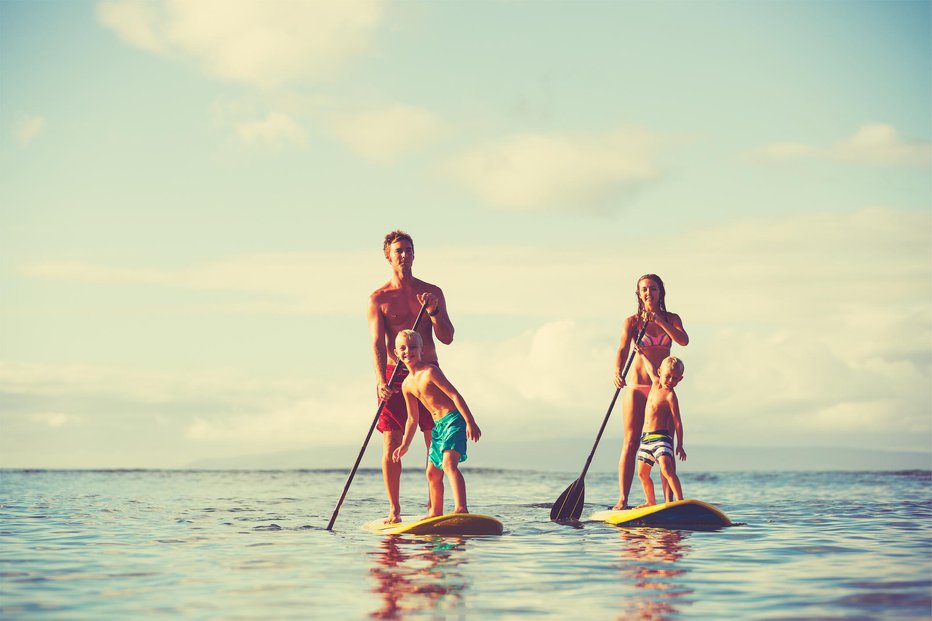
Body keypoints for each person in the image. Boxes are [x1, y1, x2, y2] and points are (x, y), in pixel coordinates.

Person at [368, 230, 454, 524]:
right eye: (398, 251)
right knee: (392, 443)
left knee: (436, 441)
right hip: (394, 375)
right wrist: (381, 380)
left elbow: (447, 337)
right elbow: (378, 344)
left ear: (414, 254)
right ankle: (394, 510)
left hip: (428, 371)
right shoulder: (379, 299)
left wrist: (434, 311)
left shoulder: (432, 292)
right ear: (388, 256)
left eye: (408, 250)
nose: (404, 255)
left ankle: (435, 509)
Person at [612, 274, 688, 510]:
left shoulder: (672, 318)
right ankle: (623, 499)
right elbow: (623, 348)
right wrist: (617, 371)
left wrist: (660, 321)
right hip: (637, 387)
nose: (648, 293)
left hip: (661, 390)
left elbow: (683, 341)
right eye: (644, 289)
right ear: (639, 294)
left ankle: (669, 503)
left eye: (653, 289)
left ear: (660, 292)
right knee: (631, 441)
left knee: (665, 443)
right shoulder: (632, 322)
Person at [392, 329, 481, 517]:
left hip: (453, 420)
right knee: (432, 473)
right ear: (396, 353)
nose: (408, 351)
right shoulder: (407, 384)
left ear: (422, 350)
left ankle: (461, 509)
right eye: (403, 348)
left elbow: (454, 395)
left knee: (449, 464)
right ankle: (436, 512)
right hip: (437, 427)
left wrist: (470, 421)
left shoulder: (430, 371)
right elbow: (412, 418)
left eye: (413, 347)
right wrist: (405, 444)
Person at [632, 349, 687, 506]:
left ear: (680, 379)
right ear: (660, 372)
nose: (670, 380)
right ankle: (650, 502)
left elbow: (677, 421)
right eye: (668, 376)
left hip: (661, 438)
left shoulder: (670, 396)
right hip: (646, 439)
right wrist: (641, 354)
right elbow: (649, 368)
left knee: (666, 468)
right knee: (642, 474)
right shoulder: (655, 383)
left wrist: (680, 445)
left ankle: (680, 502)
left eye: (675, 379)